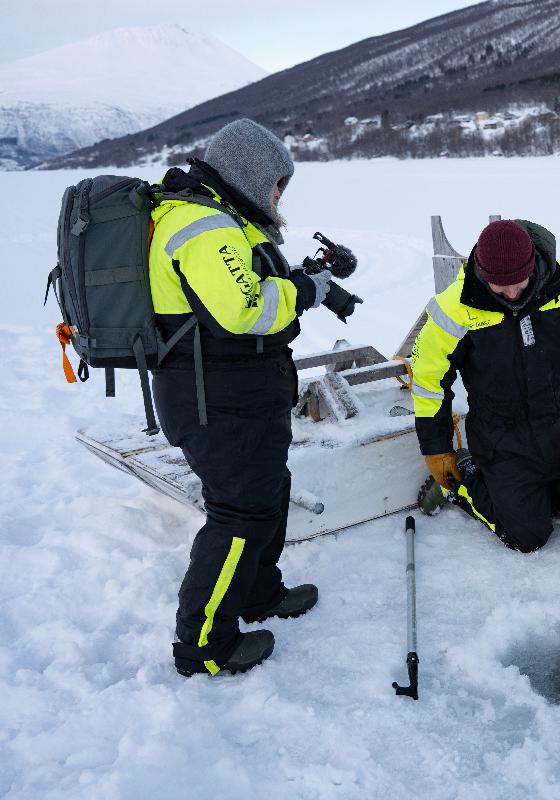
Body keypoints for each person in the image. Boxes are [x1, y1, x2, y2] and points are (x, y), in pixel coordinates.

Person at [150, 119, 357, 677]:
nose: (277, 197)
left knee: (268, 493)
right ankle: (203, 645)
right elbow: (246, 311)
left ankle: (259, 593)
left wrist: (305, 278)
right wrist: (306, 290)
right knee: (238, 513)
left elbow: (252, 283)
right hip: (214, 399)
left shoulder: (223, 219)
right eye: (275, 185)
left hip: (241, 393)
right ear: (248, 172)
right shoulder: (202, 224)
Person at [410, 219, 560, 552]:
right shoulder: (454, 308)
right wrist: (436, 447)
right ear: (482, 272)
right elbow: (428, 382)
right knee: (527, 537)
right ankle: (467, 477)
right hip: (503, 441)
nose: (512, 293)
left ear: (533, 267)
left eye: (519, 282)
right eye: (500, 286)